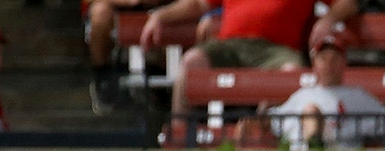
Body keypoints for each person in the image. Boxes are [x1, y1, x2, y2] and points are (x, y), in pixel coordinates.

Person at [140, 0, 358, 119]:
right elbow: (198, 4)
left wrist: (328, 19)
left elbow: (348, 3)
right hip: (231, 45)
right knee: (191, 61)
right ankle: (179, 136)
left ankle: (261, 131)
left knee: (292, 72)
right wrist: (160, 15)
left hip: (275, 50)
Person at [265, 34, 385, 150]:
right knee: (311, 110)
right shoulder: (302, 95)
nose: (329, 64)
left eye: (334, 58)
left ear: (344, 62)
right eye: (323, 59)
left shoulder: (358, 96)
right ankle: (314, 146)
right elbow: (273, 122)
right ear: (314, 64)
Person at [83, 0, 170, 114]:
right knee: (100, 13)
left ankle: (164, 82)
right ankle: (102, 77)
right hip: (115, 5)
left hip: (160, 6)